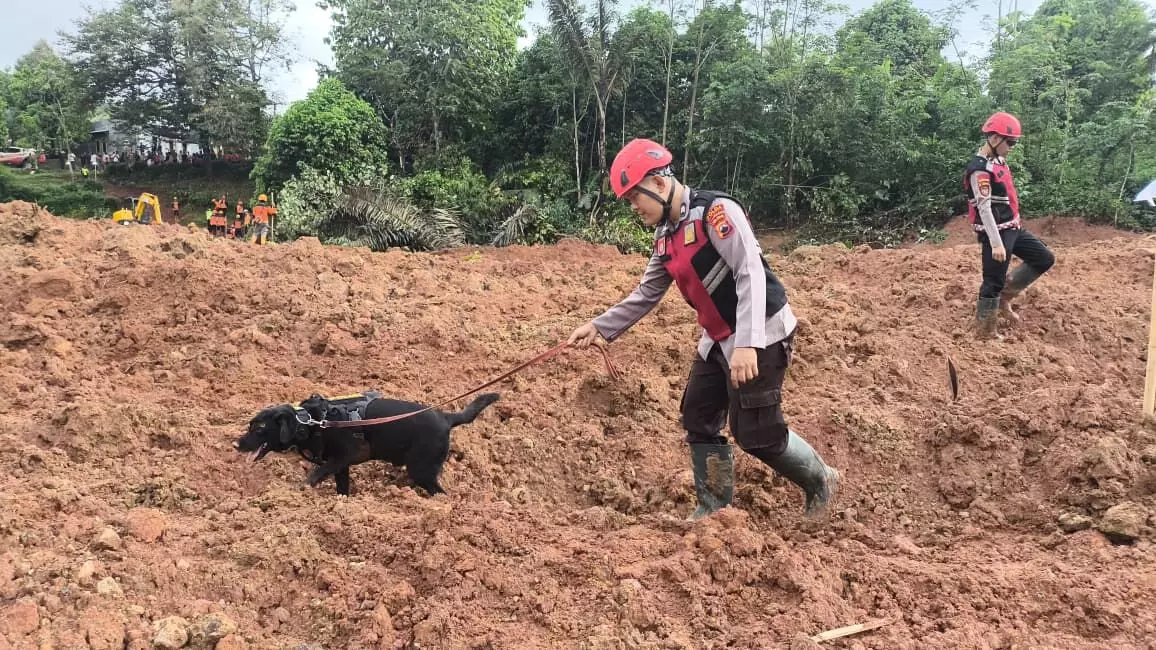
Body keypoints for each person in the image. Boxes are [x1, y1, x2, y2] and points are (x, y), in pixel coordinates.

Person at [568, 138, 839, 520]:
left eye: (635, 198)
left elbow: (751, 273)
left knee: (755, 433)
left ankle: (821, 479)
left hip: (761, 332)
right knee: (698, 415)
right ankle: (713, 511)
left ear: (659, 184)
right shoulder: (665, 236)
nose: (633, 208)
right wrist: (599, 327)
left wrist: (748, 343)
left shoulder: (716, 213)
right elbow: (647, 293)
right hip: (718, 338)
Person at [964, 112, 1055, 339]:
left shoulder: (998, 161)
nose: (1012, 147)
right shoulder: (980, 170)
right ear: (994, 139)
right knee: (992, 281)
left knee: (1044, 258)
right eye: (1010, 142)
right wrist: (996, 243)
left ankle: (1005, 296)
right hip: (995, 233)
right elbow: (983, 208)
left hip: (1012, 227)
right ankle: (985, 332)